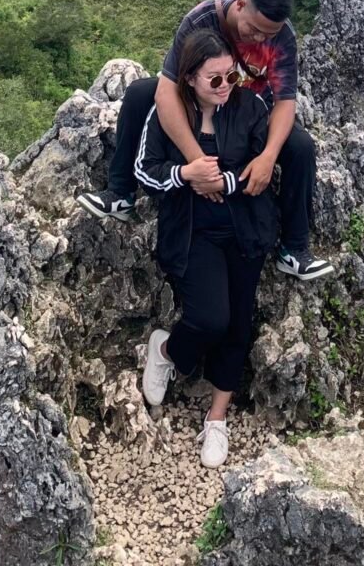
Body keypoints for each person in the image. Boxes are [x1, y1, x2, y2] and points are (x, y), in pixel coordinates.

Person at [76, 0, 333, 281]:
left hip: (249, 111)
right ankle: (120, 192)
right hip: (199, 99)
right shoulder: (201, 20)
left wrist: (268, 155)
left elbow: (285, 102)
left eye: (269, 35)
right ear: (240, 5)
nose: (260, 39)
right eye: (254, 29)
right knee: (139, 93)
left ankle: (294, 250)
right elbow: (167, 91)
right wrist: (197, 161)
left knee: (301, 147)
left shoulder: (283, 37)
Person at [133, 29, 278, 467]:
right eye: (213, 79)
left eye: (230, 77)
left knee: (238, 325)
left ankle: (217, 418)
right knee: (211, 318)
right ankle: (166, 351)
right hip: (193, 232)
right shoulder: (169, 113)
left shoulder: (250, 108)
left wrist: (222, 182)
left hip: (245, 229)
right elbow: (145, 169)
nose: (224, 87)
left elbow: (263, 168)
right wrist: (186, 175)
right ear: (190, 78)